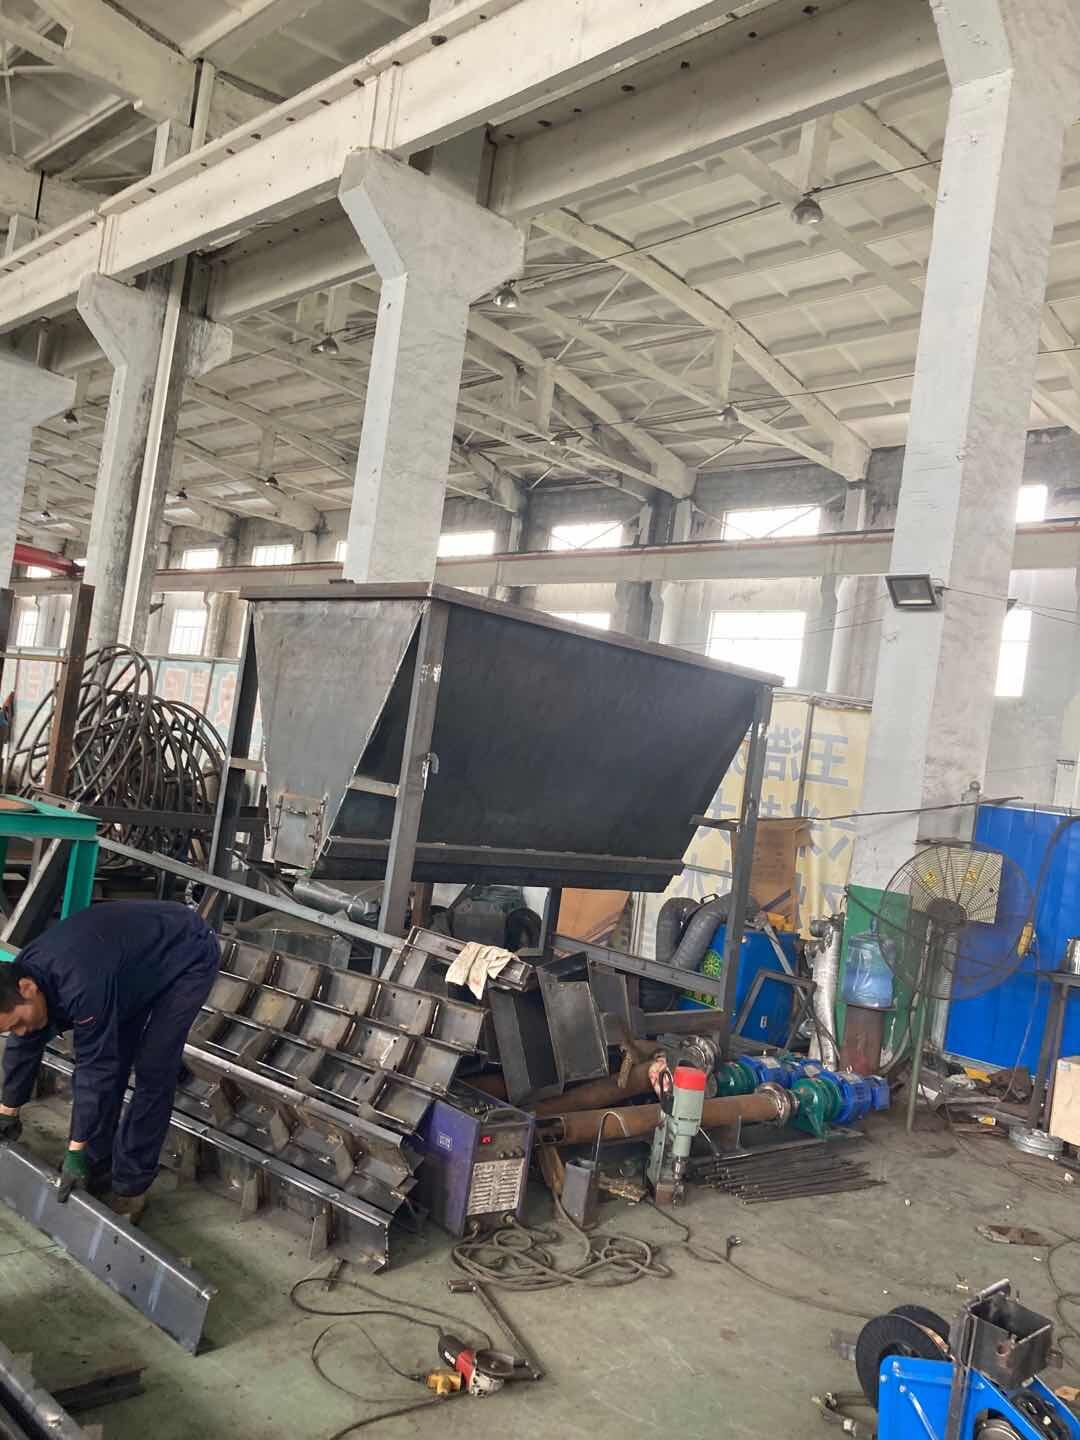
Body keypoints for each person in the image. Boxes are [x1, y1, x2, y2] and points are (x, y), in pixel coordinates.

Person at [0, 899, 219, 1218]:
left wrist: (75, 1150)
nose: (18, 1032)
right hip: (129, 967)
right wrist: (8, 1110)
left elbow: (94, 1069)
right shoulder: (22, 975)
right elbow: (24, 1044)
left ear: (27, 988)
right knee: (113, 1058)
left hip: (186, 956)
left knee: (154, 1067)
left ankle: (131, 1185)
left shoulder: (80, 985)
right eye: (9, 1029)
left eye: (17, 1023)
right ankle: (97, 1163)